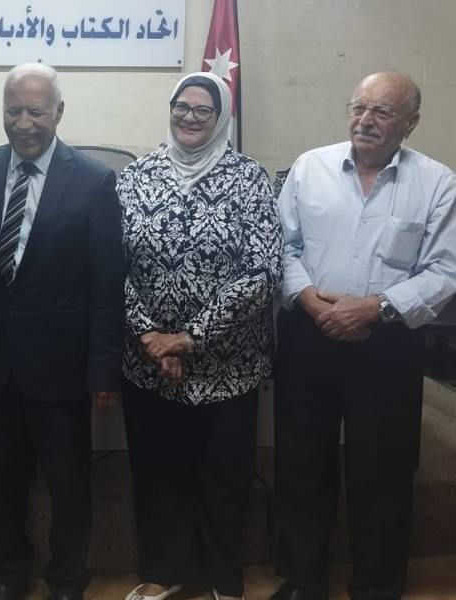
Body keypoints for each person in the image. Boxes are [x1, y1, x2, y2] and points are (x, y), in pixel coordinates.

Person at [272, 71, 456, 600]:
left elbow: (444, 269)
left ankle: (376, 586)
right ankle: (303, 580)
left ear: (410, 123)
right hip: (309, 333)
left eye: (382, 111)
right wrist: (311, 301)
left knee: (383, 469)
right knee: (302, 462)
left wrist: (376, 308)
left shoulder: (437, 183)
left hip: (387, 344)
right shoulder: (310, 167)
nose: (365, 120)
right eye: (359, 107)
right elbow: (282, 247)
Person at [0, 63, 124, 600]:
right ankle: (7, 574)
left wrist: (103, 369)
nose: (23, 123)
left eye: (36, 112)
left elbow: (106, 284)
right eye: (13, 111)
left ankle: (67, 580)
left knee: (69, 482)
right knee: (1, 479)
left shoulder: (94, 180)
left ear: (58, 113)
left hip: (62, 367)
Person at [115, 72, 282, 600]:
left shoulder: (250, 179)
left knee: (224, 475)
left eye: (202, 109)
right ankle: (164, 571)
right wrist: (149, 335)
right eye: (180, 106)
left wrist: (189, 338)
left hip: (227, 366)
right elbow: (110, 263)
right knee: (157, 472)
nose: (189, 117)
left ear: (221, 116)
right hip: (148, 362)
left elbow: (263, 270)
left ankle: (223, 577)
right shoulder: (135, 176)